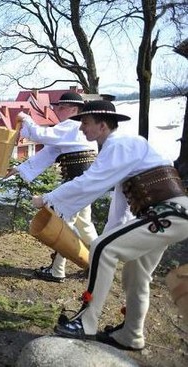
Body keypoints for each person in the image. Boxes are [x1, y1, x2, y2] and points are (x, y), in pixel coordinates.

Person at [31, 100, 188, 351]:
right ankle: (132, 334)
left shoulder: (121, 144)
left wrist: (48, 199)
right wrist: (112, 234)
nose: (81, 128)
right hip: (165, 216)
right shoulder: (120, 151)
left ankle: (86, 322)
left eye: (85, 123)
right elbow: (121, 202)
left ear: (102, 126)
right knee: (135, 275)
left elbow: (89, 182)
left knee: (102, 247)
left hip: (167, 214)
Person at [6, 92, 99, 283]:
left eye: (61, 107)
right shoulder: (73, 131)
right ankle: (100, 263)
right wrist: (19, 169)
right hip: (84, 187)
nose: (56, 110)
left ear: (74, 110)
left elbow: (42, 134)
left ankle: (57, 271)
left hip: (74, 187)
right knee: (84, 225)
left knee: (63, 227)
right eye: (56, 107)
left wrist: (26, 118)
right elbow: (49, 152)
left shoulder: (71, 126)